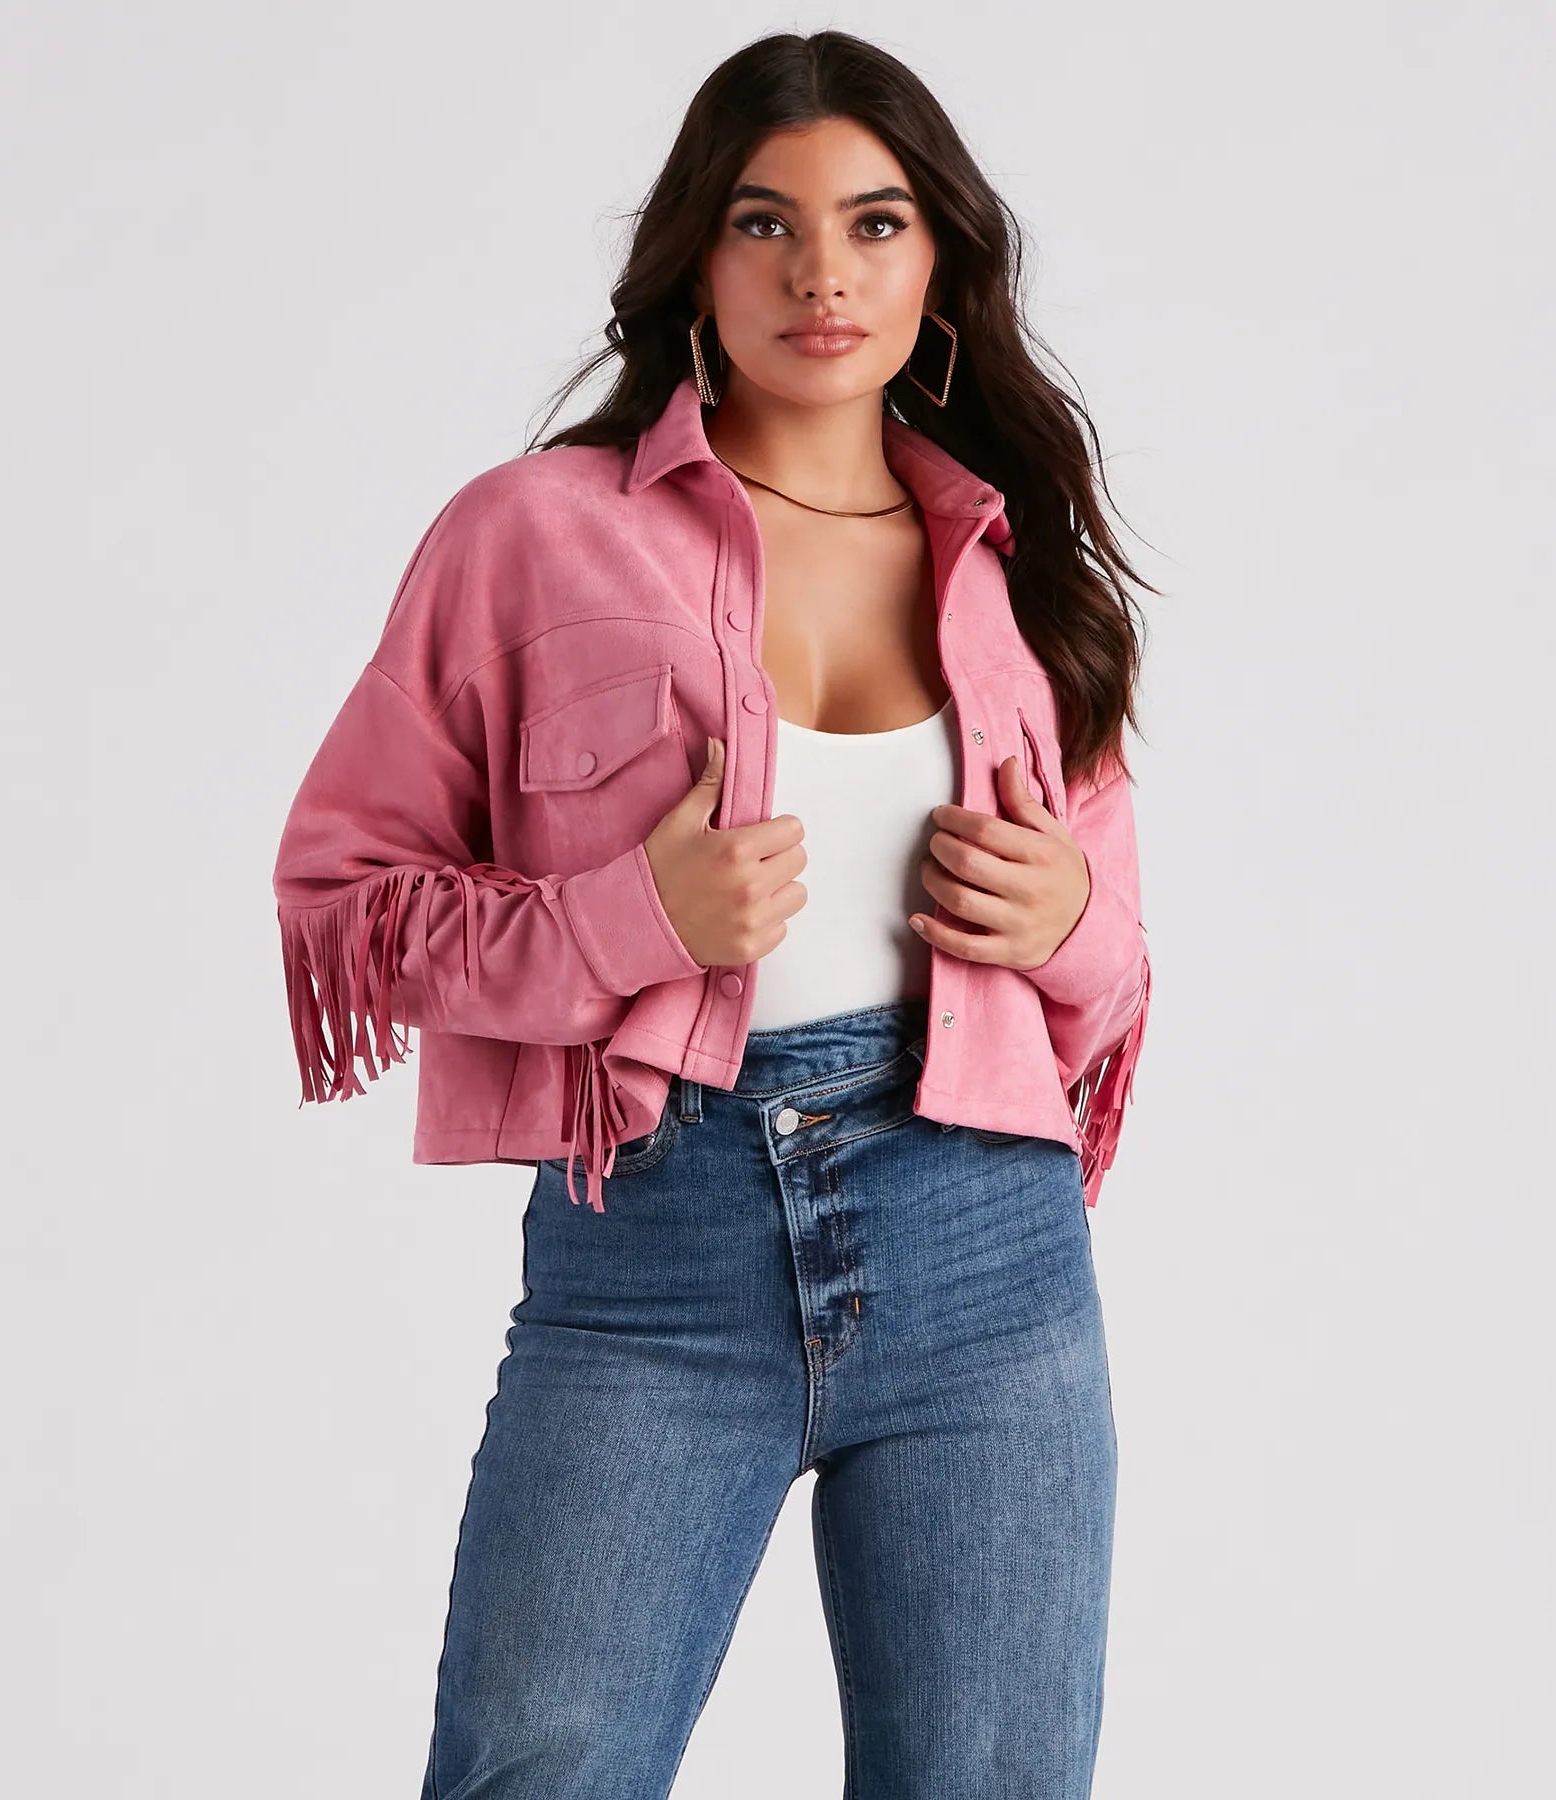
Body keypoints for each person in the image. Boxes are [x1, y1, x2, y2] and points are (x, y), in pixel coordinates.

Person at [272, 28, 1156, 1799]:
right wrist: (629, 918)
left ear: (938, 264)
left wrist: (1064, 920)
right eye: (766, 223)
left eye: (874, 223)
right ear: (695, 257)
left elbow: (1114, 976)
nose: (822, 274)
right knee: (540, 1767)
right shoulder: (531, 534)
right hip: (656, 1242)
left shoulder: (1013, 562)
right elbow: (345, 901)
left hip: (989, 1249)